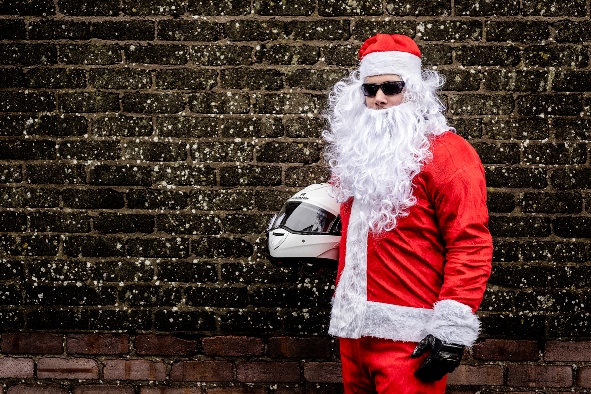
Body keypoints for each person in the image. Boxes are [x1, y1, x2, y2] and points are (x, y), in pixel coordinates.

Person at [323, 33, 493, 393]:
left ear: (414, 90)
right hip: (353, 334)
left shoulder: (449, 154)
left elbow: (471, 243)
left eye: (391, 87)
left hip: (410, 338)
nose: (380, 99)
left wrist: (450, 329)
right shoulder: (356, 157)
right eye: (370, 90)